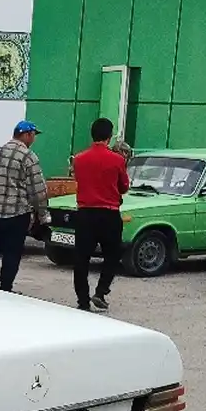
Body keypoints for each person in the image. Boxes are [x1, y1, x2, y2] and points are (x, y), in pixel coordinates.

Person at [0, 121, 50, 291]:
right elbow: (38, 191)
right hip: (17, 215)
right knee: (11, 254)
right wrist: (43, 214)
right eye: (33, 135)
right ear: (27, 135)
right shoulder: (28, 157)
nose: (34, 139)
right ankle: (5, 288)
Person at [71, 117, 130, 311]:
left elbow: (79, 181)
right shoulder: (117, 160)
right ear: (109, 136)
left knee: (81, 259)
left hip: (85, 214)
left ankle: (83, 301)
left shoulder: (79, 159)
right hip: (109, 214)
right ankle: (101, 291)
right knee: (112, 255)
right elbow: (124, 187)